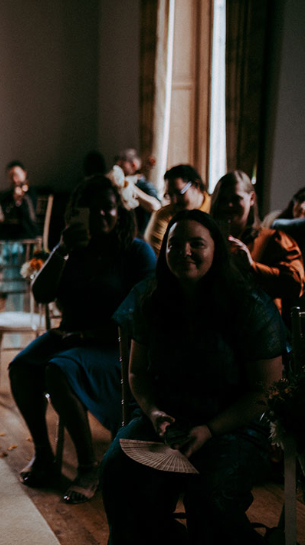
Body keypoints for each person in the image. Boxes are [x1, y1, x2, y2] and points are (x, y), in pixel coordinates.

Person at [102, 210, 285, 544]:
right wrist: (154, 413)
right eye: (174, 244)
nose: (184, 251)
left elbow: (267, 392)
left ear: (216, 250)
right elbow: (137, 373)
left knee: (208, 497)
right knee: (117, 472)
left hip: (236, 425)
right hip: (170, 419)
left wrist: (210, 429)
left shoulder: (248, 306)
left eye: (196, 243)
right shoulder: (150, 298)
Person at [9, 174, 156, 504]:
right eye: (90, 209)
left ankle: (90, 466)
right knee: (21, 367)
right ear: (77, 213)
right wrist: (62, 249)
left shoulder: (136, 252)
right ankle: (45, 455)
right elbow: (42, 293)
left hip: (116, 346)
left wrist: (92, 334)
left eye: (108, 208)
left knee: (59, 370)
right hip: (70, 338)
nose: (101, 215)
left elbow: (147, 312)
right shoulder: (72, 250)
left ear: (120, 211)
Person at [210, 171, 304, 322]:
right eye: (223, 200)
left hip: (262, 329)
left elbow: (296, 284)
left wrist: (252, 267)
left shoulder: (274, 239)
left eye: (236, 199)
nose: (228, 206)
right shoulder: (207, 241)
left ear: (251, 198)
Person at [143, 164, 211, 255]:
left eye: (179, 193)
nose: (174, 201)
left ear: (196, 185)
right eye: (170, 195)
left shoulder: (216, 209)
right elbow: (159, 256)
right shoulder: (162, 216)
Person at [115, 148, 161, 232]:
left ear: (134, 165)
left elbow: (156, 207)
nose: (119, 173)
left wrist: (131, 187)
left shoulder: (145, 186)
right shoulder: (117, 186)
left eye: (122, 167)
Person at [0, 161, 41, 240]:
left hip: (27, 234)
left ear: (24, 173)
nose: (14, 179)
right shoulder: (6, 196)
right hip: (8, 235)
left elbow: (30, 217)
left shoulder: (31, 193)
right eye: (11, 176)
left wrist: (20, 201)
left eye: (16, 175)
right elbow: (2, 214)